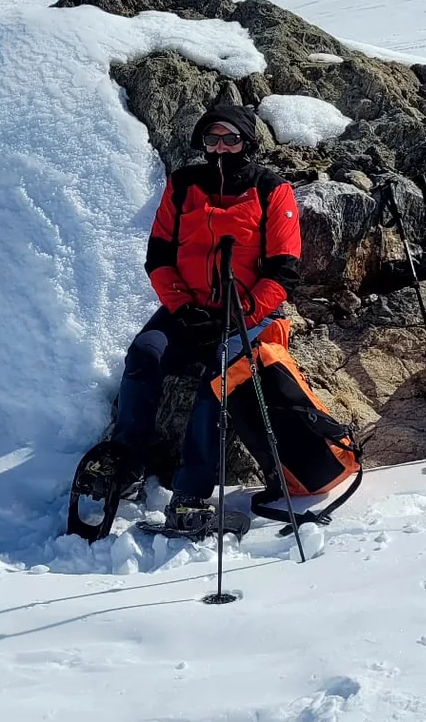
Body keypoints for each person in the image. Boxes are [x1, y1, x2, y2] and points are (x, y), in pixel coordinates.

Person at [109, 103, 302, 533]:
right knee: (144, 354)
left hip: (246, 313)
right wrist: (182, 307)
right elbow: (159, 256)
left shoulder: (272, 190)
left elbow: (284, 271)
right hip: (187, 308)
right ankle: (125, 464)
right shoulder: (182, 185)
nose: (221, 147)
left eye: (231, 138)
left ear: (247, 142)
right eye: (213, 138)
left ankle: (191, 492)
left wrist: (240, 313)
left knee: (219, 377)